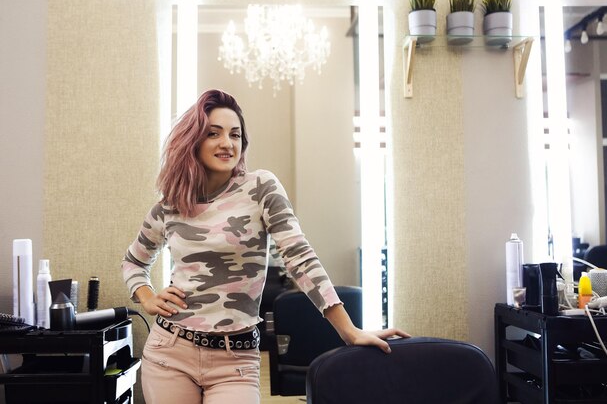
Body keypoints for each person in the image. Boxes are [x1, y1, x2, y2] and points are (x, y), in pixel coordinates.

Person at [121, 89, 409, 404]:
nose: (226, 143)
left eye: (235, 134)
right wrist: (147, 297)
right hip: (170, 351)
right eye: (213, 133)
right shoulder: (169, 207)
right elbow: (134, 262)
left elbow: (300, 258)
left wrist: (349, 330)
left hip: (236, 361)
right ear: (194, 141)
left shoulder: (260, 188)